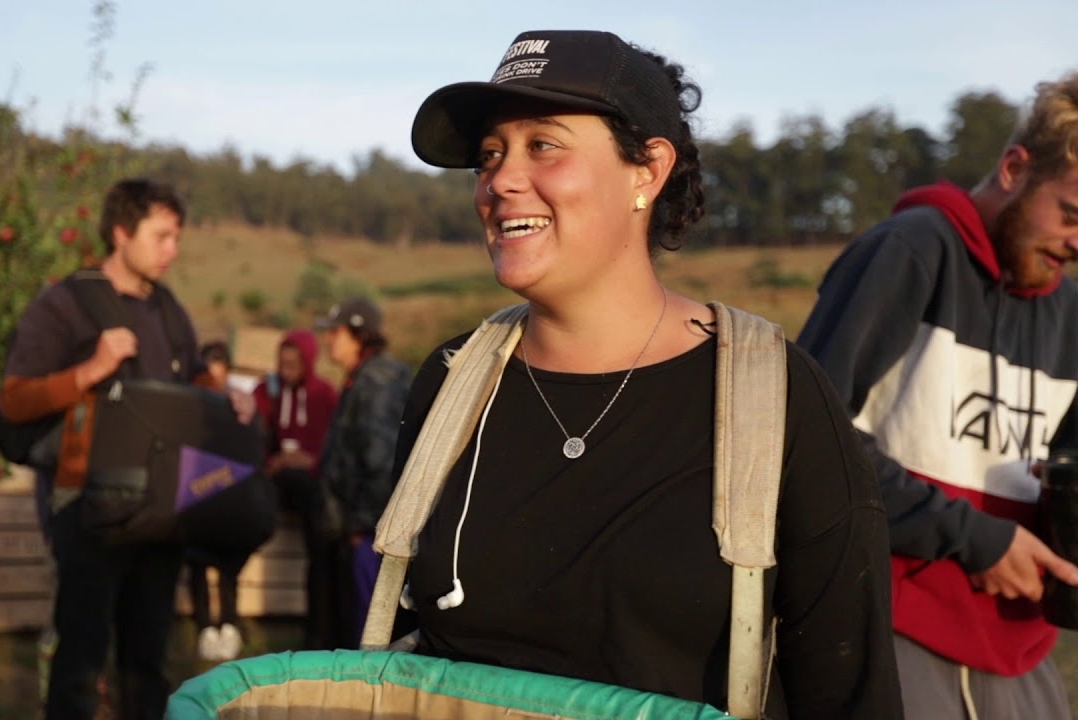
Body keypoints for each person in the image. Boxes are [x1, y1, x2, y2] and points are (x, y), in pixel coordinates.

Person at [394, 30, 903, 718]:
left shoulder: (773, 395)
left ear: (648, 171)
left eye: (543, 144)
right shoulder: (454, 382)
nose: (501, 181)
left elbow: (850, 693)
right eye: (490, 155)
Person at [797, 73, 1078, 719]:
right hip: (893, 624)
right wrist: (974, 538)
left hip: (1022, 648)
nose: (1077, 242)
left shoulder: (1069, 311)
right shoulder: (910, 251)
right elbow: (806, 434)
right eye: (1071, 214)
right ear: (1014, 168)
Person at [0, 178, 252, 719]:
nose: (172, 250)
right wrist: (89, 369)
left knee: (148, 662)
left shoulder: (168, 311)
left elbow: (196, 383)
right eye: (161, 237)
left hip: (161, 511)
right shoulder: (63, 305)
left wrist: (228, 399)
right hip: (88, 507)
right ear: (120, 233)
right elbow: (14, 401)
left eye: (176, 238)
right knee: (80, 664)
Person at [315, 297, 412, 648]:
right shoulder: (363, 379)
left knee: (370, 637)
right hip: (362, 531)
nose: (329, 340)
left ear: (359, 334)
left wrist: (362, 526)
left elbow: (380, 461)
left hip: (371, 536)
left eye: (337, 332)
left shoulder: (376, 385)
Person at [251, 329, 340, 649]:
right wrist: (273, 461)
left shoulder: (324, 395)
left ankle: (318, 631)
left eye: (294, 364)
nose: (286, 370)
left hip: (310, 483)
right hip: (275, 480)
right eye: (282, 363)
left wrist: (309, 460)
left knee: (321, 537)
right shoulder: (268, 391)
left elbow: (334, 448)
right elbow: (254, 435)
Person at [186, 340, 249, 663]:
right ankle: (204, 625)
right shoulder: (191, 401)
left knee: (227, 564)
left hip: (227, 490)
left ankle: (229, 621)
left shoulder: (237, 402)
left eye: (219, 365)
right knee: (197, 561)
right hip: (196, 490)